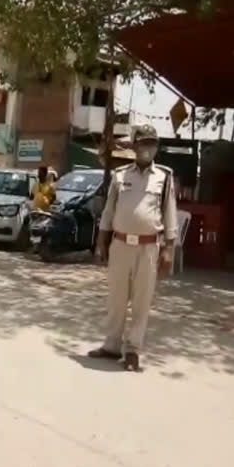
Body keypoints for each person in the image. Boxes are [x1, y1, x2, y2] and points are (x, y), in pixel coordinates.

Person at [88, 124, 177, 372]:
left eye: (152, 143)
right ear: (134, 145)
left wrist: (169, 250)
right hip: (120, 244)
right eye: (143, 142)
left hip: (148, 248)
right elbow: (108, 212)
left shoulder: (165, 177)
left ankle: (133, 351)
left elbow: (169, 216)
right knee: (116, 298)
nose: (147, 148)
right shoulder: (120, 176)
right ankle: (112, 345)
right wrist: (100, 243)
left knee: (141, 301)